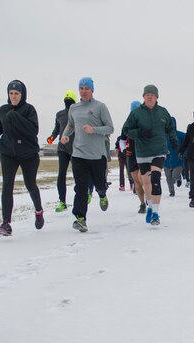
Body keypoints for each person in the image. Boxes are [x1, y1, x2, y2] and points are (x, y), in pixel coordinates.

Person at [60, 77, 114, 232]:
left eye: (86, 88)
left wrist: (94, 130)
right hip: (78, 154)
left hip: (97, 155)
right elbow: (71, 124)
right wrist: (65, 135)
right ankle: (81, 218)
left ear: (92, 90)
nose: (84, 91)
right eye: (81, 88)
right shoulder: (74, 108)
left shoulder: (100, 107)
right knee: (81, 187)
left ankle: (102, 194)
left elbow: (110, 128)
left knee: (99, 184)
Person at [0, 80, 44, 235]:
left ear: (23, 94)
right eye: (11, 93)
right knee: (7, 185)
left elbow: (33, 130)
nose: (13, 97)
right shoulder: (3, 110)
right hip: (8, 153)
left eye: (17, 94)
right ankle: (6, 223)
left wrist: (15, 117)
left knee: (30, 184)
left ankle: (39, 211)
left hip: (29, 154)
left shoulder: (29, 110)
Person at [120, 85, 178, 225]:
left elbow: (170, 128)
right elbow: (126, 130)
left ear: (157, 97)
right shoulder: (136, 113)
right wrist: (139, 133)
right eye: (147, 94)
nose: (150, 96)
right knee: (146, 182)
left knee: (156, 179)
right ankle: (151, 207)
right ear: (143, 97)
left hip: (159, 151)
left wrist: (173, 140)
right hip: (143, 152)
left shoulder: (163, 112)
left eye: (152, 94)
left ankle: (156, 214)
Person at [47, 90, 77, 212]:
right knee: (61, 175)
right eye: (66, 100)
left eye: (70, 100)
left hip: (76, 148)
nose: (68, 102)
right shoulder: (59, 114)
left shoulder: (78, 113)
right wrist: (52, 138)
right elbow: (56, 129)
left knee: (78, 174)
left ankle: (84, 194)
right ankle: (62, 202)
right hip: (62, 149)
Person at [163, 117, 186, 197]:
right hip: (166, 160)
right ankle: (172, 192)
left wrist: (183, 154)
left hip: (178, 161)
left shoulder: (180, 135)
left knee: (174, 176)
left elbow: (187, 144)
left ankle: (178, 178)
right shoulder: (163, 136)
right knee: (168, 178)